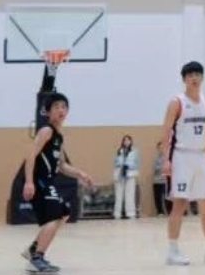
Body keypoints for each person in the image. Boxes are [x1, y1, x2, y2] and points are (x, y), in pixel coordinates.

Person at [162, 62, 205, 265]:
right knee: (179, 204)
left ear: (202, 78)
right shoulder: (176, 102)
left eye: (198, 74)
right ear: (184, 79)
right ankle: (172, 251)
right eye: (190, 75)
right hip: (181, 157)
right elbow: (166, 132)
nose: (195, 78)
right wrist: (165, 159)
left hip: (200, 157)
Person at [20, 94, 95, 273]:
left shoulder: (59, 136)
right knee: (55, 216)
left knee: (64, 213)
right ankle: (36, 258)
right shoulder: (46, 131)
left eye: (64, 106)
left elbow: (61, 165)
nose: (61, 110)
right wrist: (29, 182)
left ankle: (33, 250)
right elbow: (30, 155)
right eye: (56, 107)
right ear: (48, 112)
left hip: (48, 181)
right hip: (39, 181)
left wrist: (80, 174)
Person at [113, 135, 140, 220]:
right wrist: (120, 164)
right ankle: (117, 214)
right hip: (120, 174)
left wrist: (128, 165)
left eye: (128, 140)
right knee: (118, 195)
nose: (126, 142)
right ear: (123, 142)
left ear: (131, 141)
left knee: (130, 195)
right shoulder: (119, 151)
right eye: (125, 140)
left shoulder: (134, 152)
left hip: (130, 174)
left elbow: (136, 164)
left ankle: (130, 213)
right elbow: (115, 162)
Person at [153, 140, 170, 215]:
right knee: (157, 197)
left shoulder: (168, 157)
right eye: (159, 148)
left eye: (162, 148)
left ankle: (168, 211)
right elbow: (155, 169)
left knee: (166, 197)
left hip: (165, 181)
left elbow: (168, 168)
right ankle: (160, 211)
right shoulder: (156, 158)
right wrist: (161, 167)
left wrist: (162, 168)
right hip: (157, 181)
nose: (161, 149)